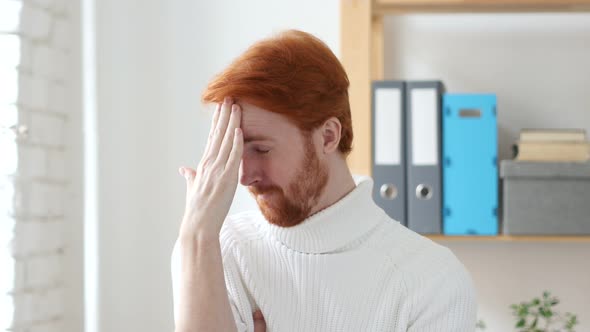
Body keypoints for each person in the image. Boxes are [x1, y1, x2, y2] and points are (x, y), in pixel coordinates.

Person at [171, 30, 477, 332]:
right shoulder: (213, 251)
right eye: (236, 152)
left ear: (328, 136)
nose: (244, 176)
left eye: (261, 149)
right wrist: (195, 236)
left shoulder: (432, 279)